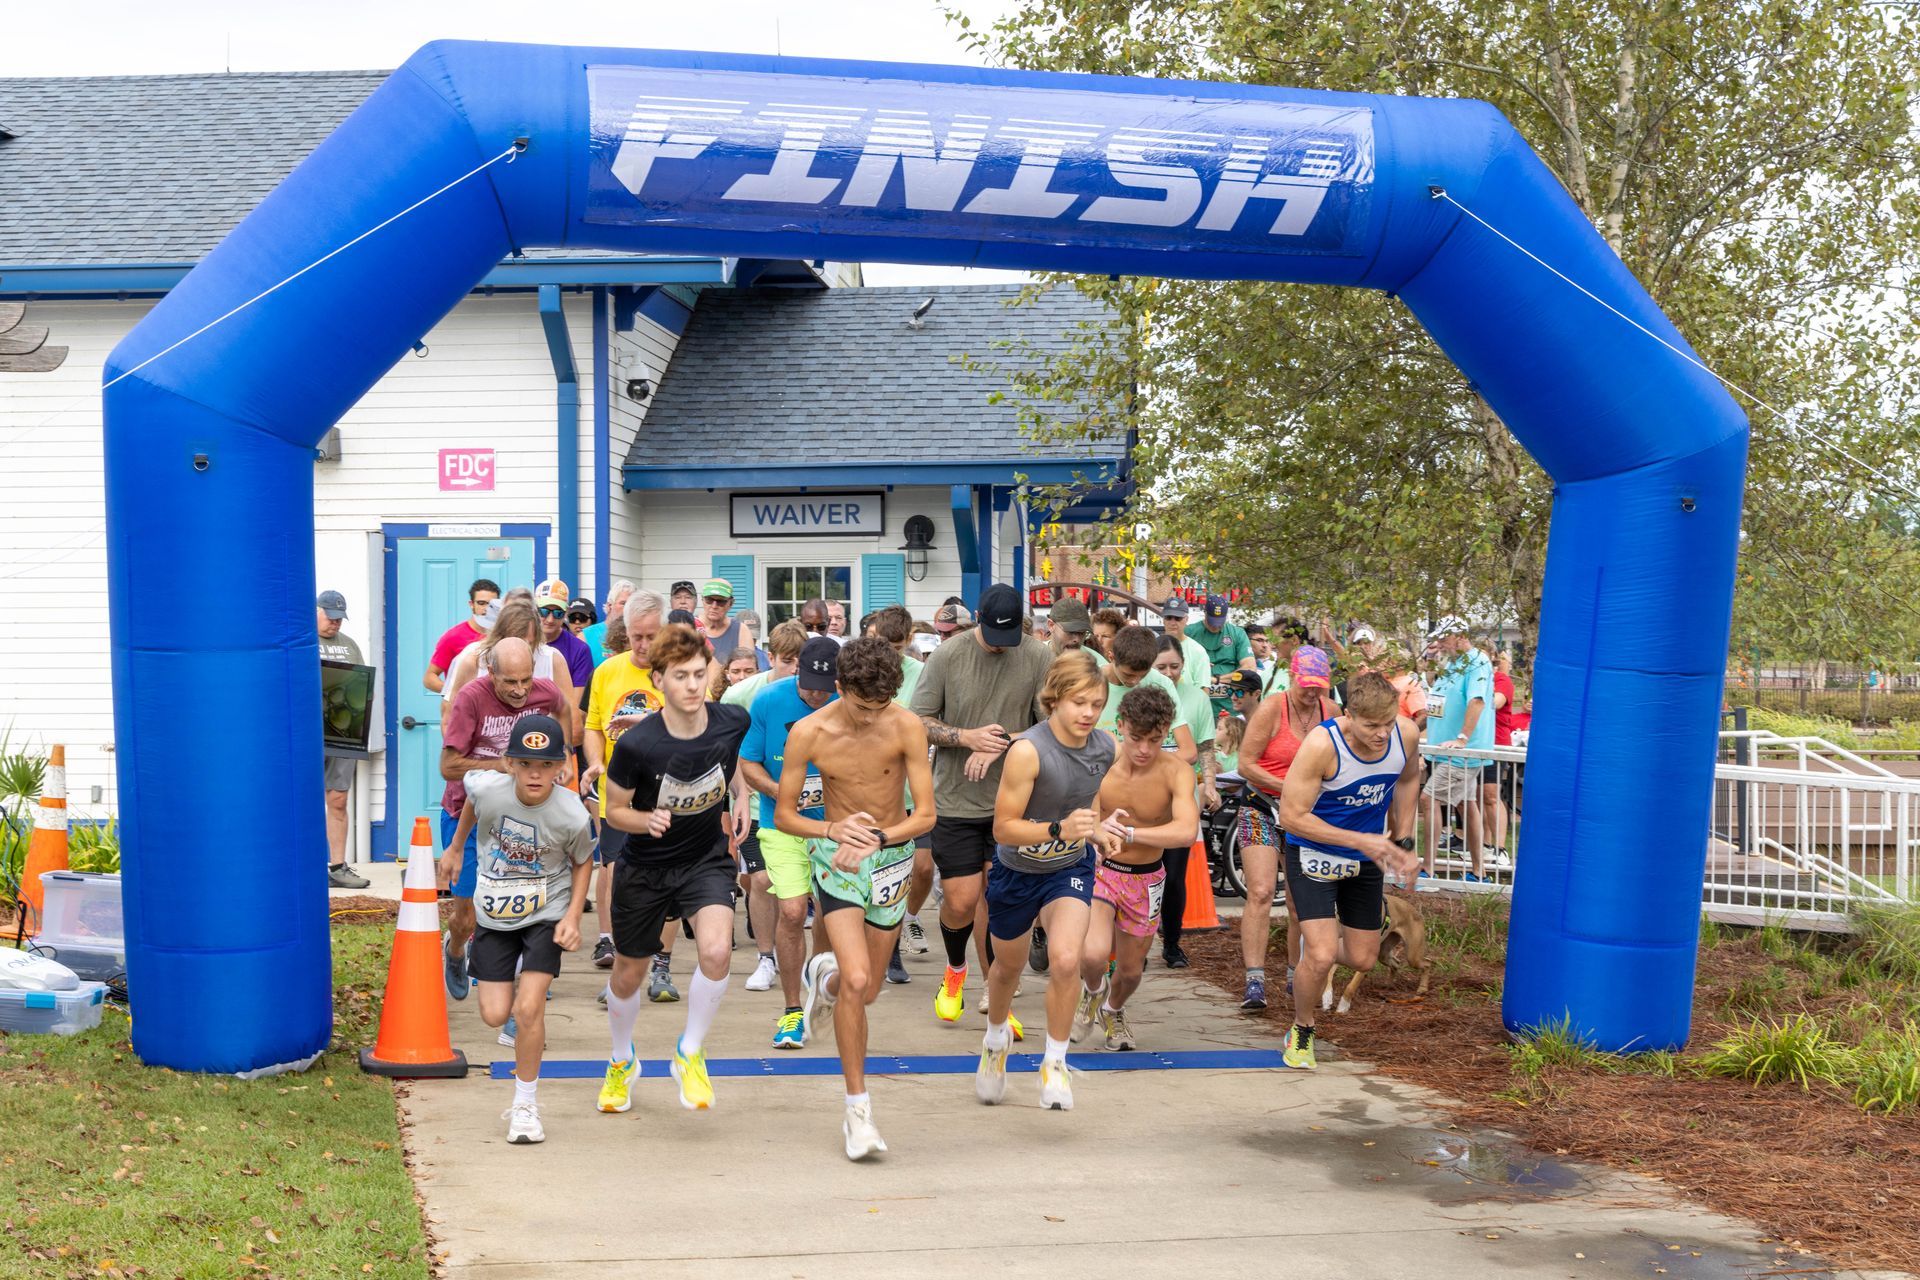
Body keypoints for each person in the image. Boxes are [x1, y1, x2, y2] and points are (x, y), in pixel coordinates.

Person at [776, 636, 936, 1159]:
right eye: (861, 706)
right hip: (836, 859)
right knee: (862, 978)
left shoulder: (906, 724)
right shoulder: (809, 732)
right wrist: (835, 832)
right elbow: (785, 815)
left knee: (861, 991)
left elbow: (927, 814)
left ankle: (824, 977)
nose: (871, 718)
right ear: (839, 688)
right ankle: (858, 1111)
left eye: (880, 706)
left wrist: (880, 838)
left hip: (890, 859)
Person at [598, 623, 752, 1116]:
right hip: (644, 868)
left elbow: (732, 762)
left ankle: (690, 1051)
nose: (692, 685)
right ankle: (622, 1061)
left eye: (699, 674)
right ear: (658, 679)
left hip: (705, 858)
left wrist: (743, 795)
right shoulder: (638, 746)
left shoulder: (732, 720)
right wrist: (644, 819)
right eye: (681, 676)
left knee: (715, 952)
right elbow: (614, 811)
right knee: (628, 975)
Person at [975, 651, 1123, 1111]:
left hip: (1068, 869)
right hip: (1016, 871)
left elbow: (1087, 800)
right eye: (1079, 702)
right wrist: (1060, 829)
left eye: (1096, 704)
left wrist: (1098, 831)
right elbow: (1003, 829)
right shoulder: (1028, 751)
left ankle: (1054, 1063)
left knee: (1065, 960)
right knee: (1008, 967)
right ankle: (996, 1040)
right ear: (1054, 700)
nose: (1088, 713)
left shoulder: (1105, 747)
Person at [439, 714, 593, 1143]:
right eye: (526, 764)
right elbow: (472, 803)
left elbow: (584, 862)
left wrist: (573, 916)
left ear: (561, 766)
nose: (535, 774)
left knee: (528, 1010)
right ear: (508, 764)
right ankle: (468, 955)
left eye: (545, 765)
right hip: (494, 913)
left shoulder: (572, 813)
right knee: (493, 1015)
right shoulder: (490, 788)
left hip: (547, 911)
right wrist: (454, 848)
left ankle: (526, 1105)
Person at [910, 583, 1052, 1023]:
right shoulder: (949, 656)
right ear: (977, 617)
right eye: (992, 635)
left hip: (1014, 800)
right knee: (961, 900)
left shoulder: (1038, 656)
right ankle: (955, 970)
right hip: (956, 800)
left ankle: (996, 990)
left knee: (997, 899)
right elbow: (918, 721)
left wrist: (1005, 742)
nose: (999, 645)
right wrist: (965, 737)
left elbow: (1052, 725)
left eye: (1008, 638)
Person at [1276, 672, 1422, 1069]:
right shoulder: (1323, 745)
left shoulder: (1405, 734)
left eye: (1387, 723)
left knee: (1363, 959)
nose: (1381, 734)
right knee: (1322, 955)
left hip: (1365, 856)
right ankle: (1302, 1029)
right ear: (1349, 716)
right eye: (1371, 725)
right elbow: (1291, 817)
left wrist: (1404, 839)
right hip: (1313, 854)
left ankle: (1310, 957)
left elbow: (1410, 778)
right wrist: (1363, 841)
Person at [437, 638, 572, 1001]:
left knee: (522, 900)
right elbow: (447, 767)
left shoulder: (542, 692)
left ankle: (525, 979)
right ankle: (454, 949)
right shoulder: (471, 697)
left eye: (526, 680)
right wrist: (498, 765)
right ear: (491, 671)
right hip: (464, 812)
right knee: (469, 914)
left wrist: (566, 756)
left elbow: (564, 708)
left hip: (516, 819)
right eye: (510, 682)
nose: (520, 690)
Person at [1075, 684, 1198, 1050]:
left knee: (1130, 971)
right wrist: (1096, 833)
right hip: (1101, 872)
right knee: (1093, 954)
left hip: (1146, 879)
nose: (1144, 749)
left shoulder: (1176, 771)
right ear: (1121, 725)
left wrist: (1129, 832)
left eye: (1155, 740)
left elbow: (1186, 832)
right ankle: (1093, 992)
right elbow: (1083, 813)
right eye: (1137, 738)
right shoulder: (1100, 763)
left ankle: (1113, 1009)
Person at [739, 636, 841, 1048]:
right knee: (793, 909)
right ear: (795, 671)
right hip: (781, 823)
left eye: (825, 688)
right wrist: (782, 792)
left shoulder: (849, 703)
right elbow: (748, 762)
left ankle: (815, 976)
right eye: (809, 687)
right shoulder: (768, 700)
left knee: (831, 917)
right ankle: (792, 1011)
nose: (816, 695)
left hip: (835, 827)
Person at [1233, 644, 1340, 1010]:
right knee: (1262, 891)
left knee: (1298, 902)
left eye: (1318, 686)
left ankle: (1297, 975)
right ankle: (1254, 980)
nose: (1312, 693)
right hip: (1261, 806)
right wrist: (1287, 787)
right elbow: (1246, 764)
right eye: (1306, 684)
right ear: (1293, 676)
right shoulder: (1272, 708)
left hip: (1304, 815)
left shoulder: (1332, 712)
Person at [582, 591, 666, 980]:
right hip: (617, 791)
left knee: (662, 874)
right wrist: (596, 762)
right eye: (637, 636)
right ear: (625, 631)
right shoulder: (607, 671)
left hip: (665, 792)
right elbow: (593, 727)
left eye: (652, 636)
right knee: (615, 869)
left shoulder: (676, 671)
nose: (644, 645)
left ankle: (658, 959)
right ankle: (614, 943)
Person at [1150, 635, 1216, 967]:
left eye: (1174, 666)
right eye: (1161, 667)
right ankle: (1137, 942)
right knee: (1142, 875)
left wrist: (1212, 785)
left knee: (1174, 878)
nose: (1169, 672)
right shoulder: (1143, 695)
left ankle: (1172, 942)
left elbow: (1204, 747)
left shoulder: (1196, 700)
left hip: (1181, 802)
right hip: (1142, 804)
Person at [1421, 616, 1495, 881]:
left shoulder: (1477, 662)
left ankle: (1428, 871)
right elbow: (1436, 704)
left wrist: (1462, 739)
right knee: (1466, 805)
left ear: (1459, 635)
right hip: (1445, 751)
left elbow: (1477, 701)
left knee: (1429, 799)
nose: (1440, 643)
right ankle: (1479, 872)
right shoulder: (1452, 663)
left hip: (1462, 752)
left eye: (1444, 638)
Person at [443, 598, 578, 721]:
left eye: (528, 644)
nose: (520, 650)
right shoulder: (473, 659)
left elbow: (573, 725)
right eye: (512, 643)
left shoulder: (553, 659)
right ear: (498, 636)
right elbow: (449, 720)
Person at [317, 590, 370, 890]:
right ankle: (307, 865)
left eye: (339, 619)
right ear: (317, 611)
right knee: (305, 801)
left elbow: (360, 686)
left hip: (343, 733)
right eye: (330, 617)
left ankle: (338, 867)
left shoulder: (349, 646)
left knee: (338, 799)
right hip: (309, 734)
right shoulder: (303, 641)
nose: (335, 624)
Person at [424, 577, 501, 693]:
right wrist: (455, 693)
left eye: (491, 605)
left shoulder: (504, 635)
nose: (486, 609)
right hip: (463, 708)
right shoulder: (453, 637)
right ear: (471, 604)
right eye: (481, 603)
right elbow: (429, 678)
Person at [1191, 594, 1256, 714]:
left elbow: (1250, 668)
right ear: (1205, 613)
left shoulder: (1237, 633)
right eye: (1212, 621)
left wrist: (1217, 679)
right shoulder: (1190, 632)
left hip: (1230, 706)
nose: (1216, 626)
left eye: (1220, 621)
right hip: (1199, 707)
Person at [536, 579, 595, 696]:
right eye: (544, 611)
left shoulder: (579, 650)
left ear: (566, 614)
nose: (550, 619)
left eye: (558, 613)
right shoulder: (522, 643)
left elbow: (578, 707)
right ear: (535, 609)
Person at [1156, 599, 1211, 692]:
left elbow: (1203, 691)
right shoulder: (1151, 647)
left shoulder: (1198, 651)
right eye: (1168, 617)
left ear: (1186, 619)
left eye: (1178, 618)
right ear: (1163, 620)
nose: (1173, 622)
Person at [582, 581, 632, 667]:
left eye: (631, 604)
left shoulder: (637, 636)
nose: (628, 608)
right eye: (623, 603)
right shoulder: (586, 636)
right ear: (609, 606)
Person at [695, 579, 748, 659]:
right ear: (702, 600)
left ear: (731, 603)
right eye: (709, 600)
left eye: (720, 601)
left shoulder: (741, 630)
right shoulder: (689, 626)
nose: (714, 606)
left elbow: (747, 666)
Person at [1044, 597, 1104, 665]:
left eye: (1082, 633)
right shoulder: (1033, 657)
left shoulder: (1098, 665)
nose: (1077, 639)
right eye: (1070, 632)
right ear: (1051, 625)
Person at [1261, 616, 1310, 694]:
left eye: (1276, 639)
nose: (1273, 645)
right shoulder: (1267, 675)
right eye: (1271, 640)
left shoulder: (1316, 674)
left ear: (1294, 640)